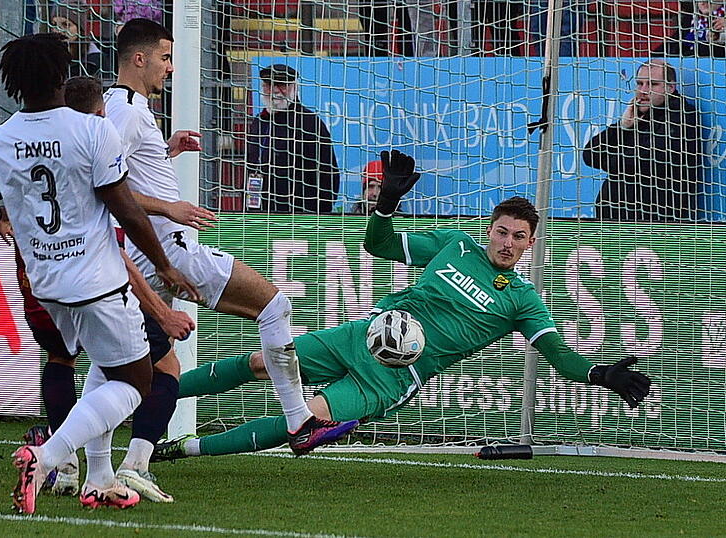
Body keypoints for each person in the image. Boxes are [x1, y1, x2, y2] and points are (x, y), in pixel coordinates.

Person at [151, 151, 653, 461]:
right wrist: (385, 206)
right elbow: (380, 246)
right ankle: (144, 399)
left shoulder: (522, 301)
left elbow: (558, 354)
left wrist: (599, 375)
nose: (506, 241)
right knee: (262, 360)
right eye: (501, 231)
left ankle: (179, 450)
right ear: (489, 229)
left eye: (518, 237)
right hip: (364, 334)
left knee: (301, 419)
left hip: (395, 374)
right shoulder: (455, 246)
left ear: (530, 244)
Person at [103, 18, 359, 476]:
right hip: (170, 249)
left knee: (148, 369)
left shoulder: (124, 104)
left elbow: (126, 170)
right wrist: (169, 207)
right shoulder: (124, 109)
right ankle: (299, 421)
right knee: (274, 306)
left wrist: (166, 151)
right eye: (164, 58)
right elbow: (103, 183)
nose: (170, 68)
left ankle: (82, 453)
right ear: (138, 59)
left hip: (149, 253)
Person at [0, 33, 198, 514]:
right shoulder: (92, 129)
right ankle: (47, 455)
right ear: (59, 77)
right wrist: (165, 264)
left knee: (101, 368)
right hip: (97, 280)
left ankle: (100, 478)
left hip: (45, 283)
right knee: (135, 383)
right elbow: (127, 211)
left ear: (14, 84)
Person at [582, 60, 704, 222]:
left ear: (670, 88)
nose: (643, 91)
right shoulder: (636, 116)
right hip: (612, 218)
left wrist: (611, 160)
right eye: (639, 83)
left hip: (655, 222)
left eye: (652, 84)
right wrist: (622, 127)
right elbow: (590, 155)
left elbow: (643, 162)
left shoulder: (682, 117)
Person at [245, 64, 340, 213]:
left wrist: (319, 215)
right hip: (261, 213)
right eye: (270, 84)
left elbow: (328, 175)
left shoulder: (310, 123)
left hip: (301, 216)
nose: (276, 90)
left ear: (294, 87)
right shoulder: (259, 122)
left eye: (282, 84)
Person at [50, 1, 105, 77]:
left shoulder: (95, 60)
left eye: (66, 25)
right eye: (54, 24)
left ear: (80, 29)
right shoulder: (48, 56)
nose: (58, 30)